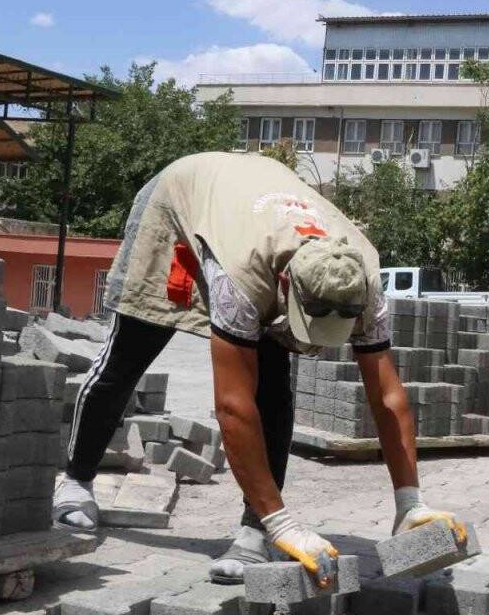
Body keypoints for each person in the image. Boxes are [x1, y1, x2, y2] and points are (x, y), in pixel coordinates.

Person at [52, 152, 464, 586]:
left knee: (273, 388)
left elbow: (387, 395)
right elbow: (232, 407)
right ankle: (76, 481)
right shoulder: (242, 278)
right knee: (129, 354)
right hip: (180, 202)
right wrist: (287, 525)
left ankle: (255, 530)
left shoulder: (362, 278)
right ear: (287, 288)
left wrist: (410, 502)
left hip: (259, 215)